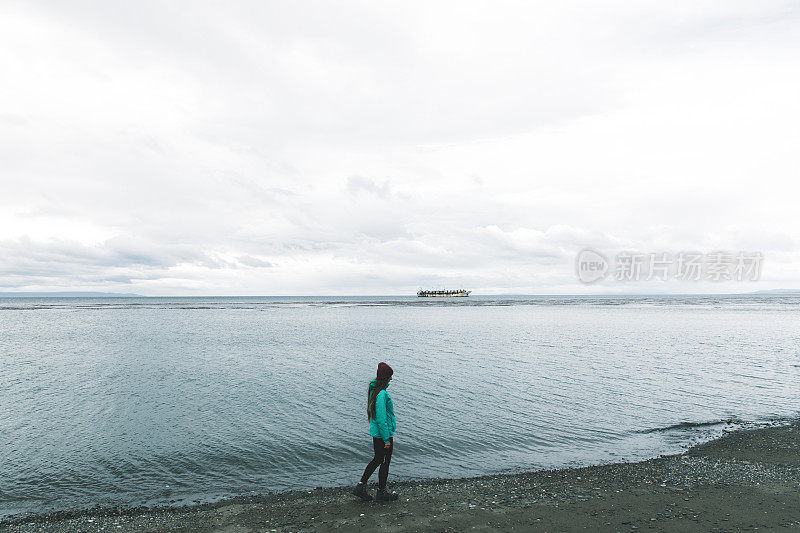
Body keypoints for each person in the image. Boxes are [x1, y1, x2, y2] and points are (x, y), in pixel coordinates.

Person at [352, 362, 399, 501]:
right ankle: (380, 491)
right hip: (383, 434)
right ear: (386, 377)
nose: (391, 379)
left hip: (379, 433)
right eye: (390, 376)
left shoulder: (374, 390)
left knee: (378, 459)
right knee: (383, 461)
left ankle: (363, 487)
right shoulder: (381, 394)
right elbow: (381, 419)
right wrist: (386, 440)